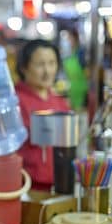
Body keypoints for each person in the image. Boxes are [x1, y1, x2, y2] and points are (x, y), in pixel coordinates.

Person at [15, 39, 70, 191]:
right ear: (24, 67)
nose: (47, 71)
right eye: (40, 64)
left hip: (58, 183)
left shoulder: (59, 102)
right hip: (25, 185)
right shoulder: (14, 102)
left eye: (52, 63)